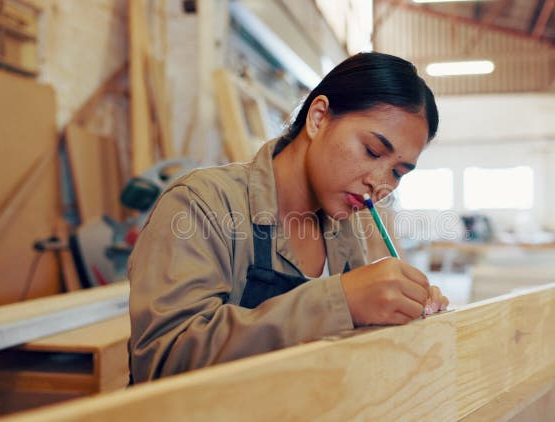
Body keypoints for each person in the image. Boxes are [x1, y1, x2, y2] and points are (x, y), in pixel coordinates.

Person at [128, 52, 449, 383]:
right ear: (319, 117)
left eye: (398, 172)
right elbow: (163, 360)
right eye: (372, 151)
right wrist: (339, 301)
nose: (380, 183)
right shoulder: (201, 204)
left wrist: (396, 310)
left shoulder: (343, 230)